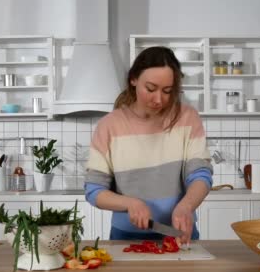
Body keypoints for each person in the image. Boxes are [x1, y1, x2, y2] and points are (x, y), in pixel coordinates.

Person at [84, 46, 213, 243]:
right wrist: (129, 203)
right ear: (133, 79)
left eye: (167, 91)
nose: (159, 99)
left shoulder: (187, 118)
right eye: (151, 89)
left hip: (180, 235)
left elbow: (200, 175)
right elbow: (94, 190)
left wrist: (186, 206)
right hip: (126, 237)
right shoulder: (109, 126)